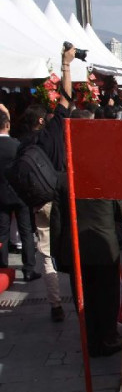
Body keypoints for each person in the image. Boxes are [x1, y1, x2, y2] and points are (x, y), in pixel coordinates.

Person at [0, 109, 38, 282]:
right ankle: (29, 268)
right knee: (26, 231)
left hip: (1, 195)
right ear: (7, 125)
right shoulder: (17, 145)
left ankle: (2, 266)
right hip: (20, 194)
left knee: (3, 232)